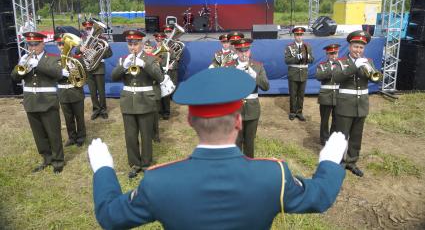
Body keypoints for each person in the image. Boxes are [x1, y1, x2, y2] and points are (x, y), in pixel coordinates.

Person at [88, 67, 348, 230]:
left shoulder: (157, 180)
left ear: (190, 122)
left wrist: (103, 170)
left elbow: (110, 217)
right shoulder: (274, 175)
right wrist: (328, 161)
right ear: (238, 121)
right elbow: (321, 196)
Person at [111, 30, 165, 178]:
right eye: (130, 44)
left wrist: (144, 64)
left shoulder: (151, 59)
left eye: (135, 43)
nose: (133, 47)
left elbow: (159, 77)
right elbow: (114, 76)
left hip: (145, 100)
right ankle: (134, 164)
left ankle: (146, 163)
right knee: (130, 136)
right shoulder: (123, 59)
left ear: (141, 43)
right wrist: (123, 66)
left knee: (146, 135)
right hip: (128, 101)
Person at [11, 32, 65, 173]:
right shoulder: (26, 59)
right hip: (31, 101)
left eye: (35, 44)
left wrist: (39, 65)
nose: (32, 47)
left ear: (43, 44)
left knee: (53, 133)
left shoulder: (53, 58)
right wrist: (20, 66)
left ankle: (58, 162)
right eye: (30, 44)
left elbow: (58, 74)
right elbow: (14, 77)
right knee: (39, 134)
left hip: (47, 101)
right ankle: (46, 158)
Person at [334, 30, 381, 177]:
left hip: (361, 105)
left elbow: (376, 79)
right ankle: (339, 162)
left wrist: (370, 70)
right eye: (355, 47)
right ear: (349, 47)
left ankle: (352, 161)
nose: (358, 50)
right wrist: (354, 66)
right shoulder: (340, 62)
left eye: (361, 48)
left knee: (356, 135)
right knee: (342, 135)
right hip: (345, 105)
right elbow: (336, 78)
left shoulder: (368, 61)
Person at [230, 36, 269, 158]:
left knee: (249, 142)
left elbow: (266, 86)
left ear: (250, 51)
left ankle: (249, 166)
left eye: (246, 50)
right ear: (236, 51)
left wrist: (253, 75)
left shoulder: (258, 66)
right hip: (235, 109)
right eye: (240, 51)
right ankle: (236, 166)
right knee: (236, 142)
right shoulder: (229, 66)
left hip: (252, 109)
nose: (243, 53)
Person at [55, 33, 87, 147]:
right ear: (57, 45)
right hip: (63, 93)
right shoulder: (55, 61)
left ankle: (81, 137)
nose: (62, 46)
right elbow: (52, 76)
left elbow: (84, 76)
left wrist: (74, 72)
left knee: (79, 117)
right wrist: (60, 73)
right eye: (59, 44)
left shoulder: (77, 59)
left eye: (64, 44)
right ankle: (72, 137)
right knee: (68, 118)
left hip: (76, 91)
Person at [80, 20, 113, 120]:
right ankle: (96, 109)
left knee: (101, 91)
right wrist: (80, 49)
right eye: (87, 29)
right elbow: (77, 51)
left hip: (99, 67)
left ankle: (103, 110)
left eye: (91, 28)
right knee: (92, 91)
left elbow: (110, 53)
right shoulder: (83, 39)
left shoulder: (102, 39)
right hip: (88, 68)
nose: (89, 30)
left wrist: (98, 53)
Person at [284, 27, 314, 121]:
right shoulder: (289, 47)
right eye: (297, 35)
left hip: (303, 73)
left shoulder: (307, 46)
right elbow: (287, 60)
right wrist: (297, 57)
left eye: (301, 35)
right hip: (293, 73)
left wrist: (309, 57)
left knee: (301, 94)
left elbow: (312, 60)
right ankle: (293, 112)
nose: (299, 37)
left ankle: (299, 112)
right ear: (294, 35)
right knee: (293, 94)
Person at [316, 44, 340, 146]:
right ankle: (324, 139)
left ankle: (332, 138)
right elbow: (319, 76)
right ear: (327, 54)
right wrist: (331, 69)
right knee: (324, 120)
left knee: (336, 119)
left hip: (339, 96)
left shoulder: (342, 64)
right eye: (331, 53)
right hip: (326, 96)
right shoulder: (321, 65)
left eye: (335, 53)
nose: (333, 56)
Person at [153, 32, 172, 120]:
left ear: (163, 40)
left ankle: (166, 112)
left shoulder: (167, 50)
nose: (159, 42)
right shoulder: (152, 50)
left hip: (165, 72)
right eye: (157, 40)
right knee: (158, 92)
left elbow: (175, 58)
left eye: (161, 40)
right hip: (156, 73)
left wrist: (170, 64)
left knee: (165, 93)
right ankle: (159, 111)